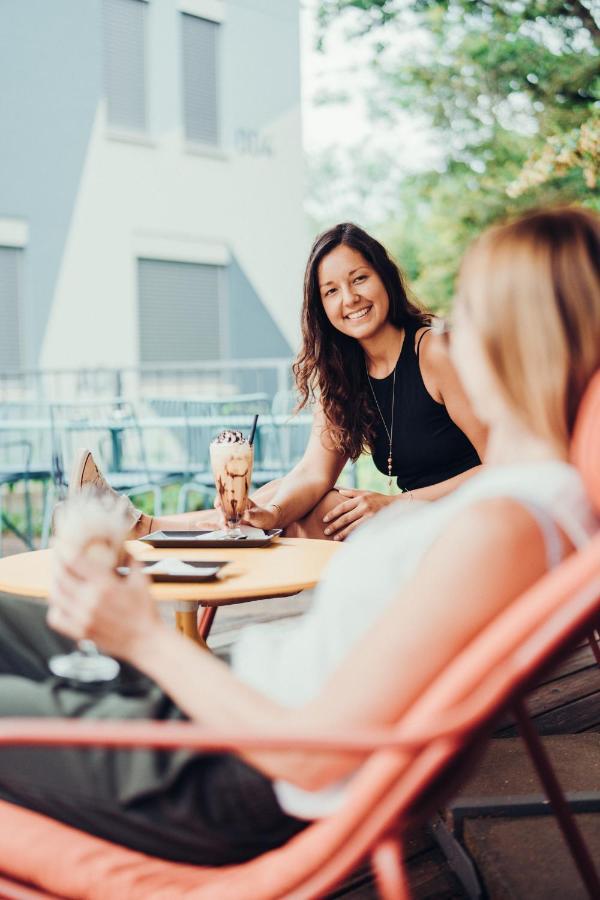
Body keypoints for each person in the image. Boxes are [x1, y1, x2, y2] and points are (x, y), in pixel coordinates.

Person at [0, 206, 598, 865]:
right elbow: (312, 483)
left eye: (470, 314)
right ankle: (151, 526)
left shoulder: (507, 523)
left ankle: (146, 530)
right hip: (243, 698)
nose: (451, 331)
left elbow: (312, 757)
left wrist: (142, 637)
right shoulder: (528, 500)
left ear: (522, 338)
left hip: (225, 765)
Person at [75, 223, 486, 542]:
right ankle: (145, 527)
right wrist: (268, 513)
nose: (350, 299)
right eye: (331, 291)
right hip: (414, 517)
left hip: (478, 516)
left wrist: (398, 504)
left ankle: (145, 528)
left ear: (385, 278)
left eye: (359, 279)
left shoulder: (435, 350)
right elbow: (311, 473)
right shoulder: (344, 372)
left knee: (320, 512)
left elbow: (508, 463)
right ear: (320, 306)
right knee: (277, 500)